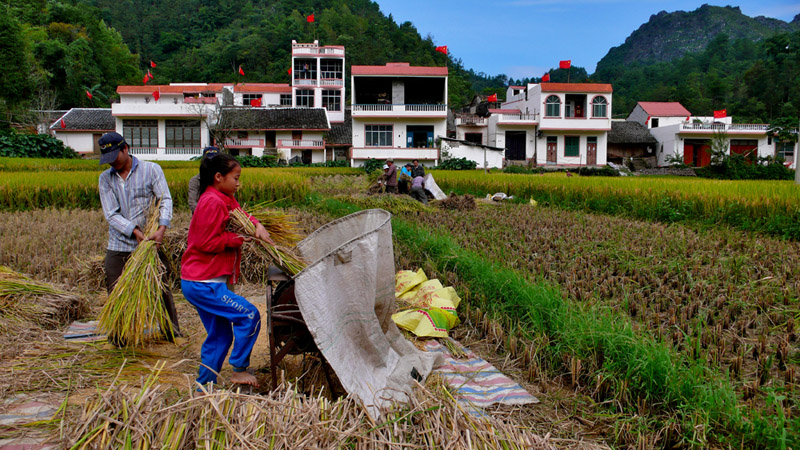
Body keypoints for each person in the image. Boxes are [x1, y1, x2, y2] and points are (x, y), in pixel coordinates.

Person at [181, 153, 273, 390]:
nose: (238, 182)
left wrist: (257, 225)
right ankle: (239, 369)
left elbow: (241, 216)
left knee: (220, 336)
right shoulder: (211, 202)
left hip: (205, 281)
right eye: (236, 177)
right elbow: (205, 243)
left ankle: (204, 386)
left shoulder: (225, 197)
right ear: (218, 177)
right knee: (249, 316)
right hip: (203, 283)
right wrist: (239, 238)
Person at [97, 132, 181, 342]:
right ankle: (118, 337)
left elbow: (165, 200)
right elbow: (111, 214)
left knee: (161, 287)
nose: (113, 163)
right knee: (116, 289)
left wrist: (162, 228)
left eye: (115, 157)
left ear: (125, 149)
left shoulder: (151, 170)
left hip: (151, 241)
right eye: (108, 160)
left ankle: (172, 332)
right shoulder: (105, 179)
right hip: (119, 243)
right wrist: (134, 231)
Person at [188, 146, 220, 213]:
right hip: (201, 216)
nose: (211, 164)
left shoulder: (224, 179)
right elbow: (192, 202)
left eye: (214, 161)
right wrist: (206, 214)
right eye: (208, 161)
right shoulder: (195, 181)